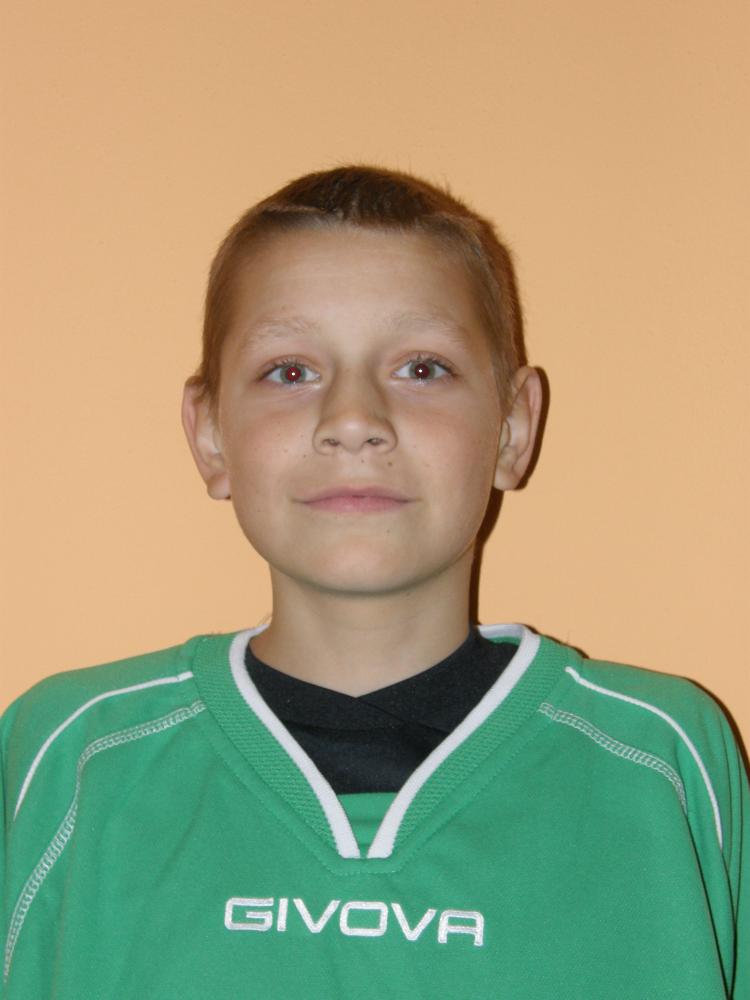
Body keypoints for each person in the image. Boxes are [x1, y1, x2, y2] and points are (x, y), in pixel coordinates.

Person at [1, 166, 747, 999]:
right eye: (291, 371)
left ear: (513, 427)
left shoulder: (661, 764)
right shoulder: (69, 758)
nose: (353, 420)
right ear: (210, 435)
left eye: (421, 368)